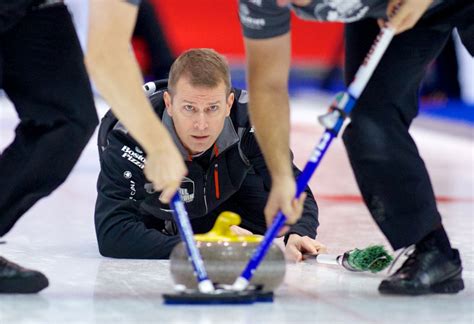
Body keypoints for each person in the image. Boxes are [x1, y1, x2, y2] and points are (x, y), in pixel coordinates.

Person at [238, 0, 473, 295]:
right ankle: (431, 249)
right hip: (388, 8)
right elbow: (267, 85)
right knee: (369, 121)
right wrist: (281, 176)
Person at [0, 0, 185, 293]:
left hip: (36, 8)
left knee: (66, 120)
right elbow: (107, 59)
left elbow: (108, 47)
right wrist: (159, 145)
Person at [94, 48, 325, 261]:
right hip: (158, 207)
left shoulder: (250, 120)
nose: (201, 125)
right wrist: (205, 246)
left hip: (226, 189)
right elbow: (112, 233)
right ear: (169, 103)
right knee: (145, 234)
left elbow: (295, 187)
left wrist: (298, 232)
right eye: (189, 108)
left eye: (212, 108)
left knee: (272, 217)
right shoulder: (129, 132)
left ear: (228, 104)